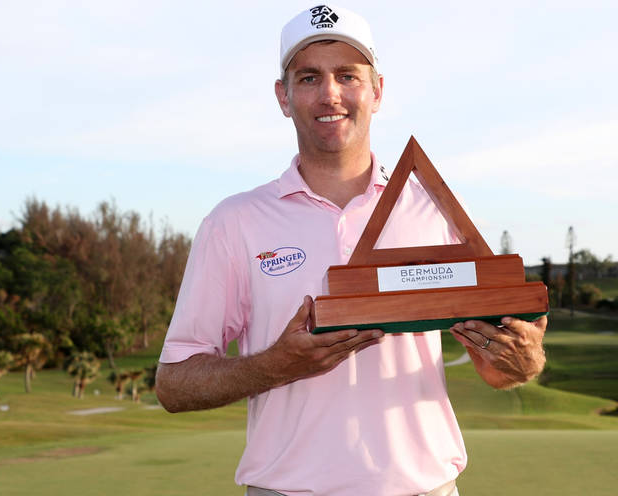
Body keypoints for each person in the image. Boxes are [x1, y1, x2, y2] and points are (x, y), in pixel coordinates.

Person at [155, 5, 546, 495]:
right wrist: (275, 365)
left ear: (377, 90)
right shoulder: (234, 222)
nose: (330, 94)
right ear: (283, 96)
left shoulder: (436, 209)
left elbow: (501, 367)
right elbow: (174, 385)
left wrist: (522, 360)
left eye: (347, 75)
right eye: (309, 78)